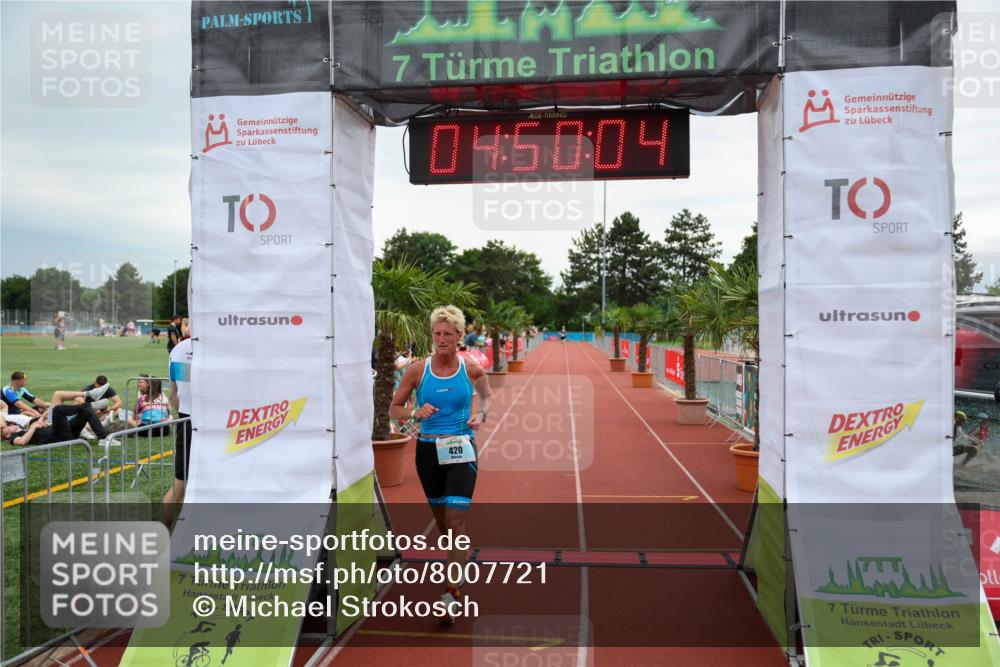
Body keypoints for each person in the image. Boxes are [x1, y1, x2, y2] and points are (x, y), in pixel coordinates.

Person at [389, 305, 493, 623]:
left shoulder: (471, 369)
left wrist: (481, 415)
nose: (441, 339)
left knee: (456, 521)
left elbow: (487, 397)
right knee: (445, 527)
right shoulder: (417, 371)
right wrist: (414, 414)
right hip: (428, 452)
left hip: (461, 449)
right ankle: (457, 559)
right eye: (437, 333)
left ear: (459, 336)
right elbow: (394, 409)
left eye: (448, 334)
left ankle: (451, 591)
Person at [162, 325, 193, 528]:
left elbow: (173, 395)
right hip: (217, 423)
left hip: (186, 420)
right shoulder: (222, 349)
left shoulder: (179, 349)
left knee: (179, 484)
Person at [2, 402, 109, 446]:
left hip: (67, 433)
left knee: (86, 412)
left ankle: (103, 438)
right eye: (7, 427)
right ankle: (88, 405)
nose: (10, 425)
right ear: (6, 434)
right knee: (58, 409)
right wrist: (33, 428)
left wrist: (43, 420)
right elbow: (21, 442)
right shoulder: (14, 436)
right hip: (60, 438)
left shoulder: (24, 429)